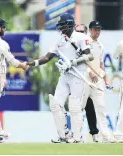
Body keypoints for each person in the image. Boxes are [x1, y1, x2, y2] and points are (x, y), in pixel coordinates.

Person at [27, 13, 93, 143]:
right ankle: (64, 134)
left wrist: (73, 62)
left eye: (63, 26)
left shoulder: (81, 37)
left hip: (78, 75)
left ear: (70, 25)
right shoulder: (59, 40)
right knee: (56, 104)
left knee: (74, 107)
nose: (61, 29)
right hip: (65, 75)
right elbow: (47, 58)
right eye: (60, 26)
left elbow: (89, 56)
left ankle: (77, 137)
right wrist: (32, 63)